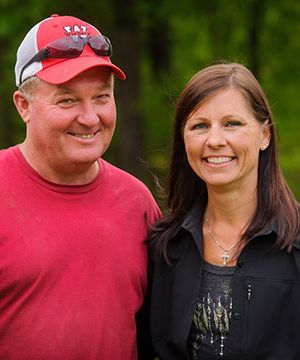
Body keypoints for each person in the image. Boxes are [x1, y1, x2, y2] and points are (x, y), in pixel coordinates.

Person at [0, 14, 160, 359]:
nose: (90, 118)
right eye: (68, 100)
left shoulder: (138, 202)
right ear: (23, 106)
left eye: (102, 97)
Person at [146, 62, 300, 359]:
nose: (215, 140)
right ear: (184, 139)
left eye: (233, 124)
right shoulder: (164, 245)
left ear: (265, 135)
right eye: (200, 126)